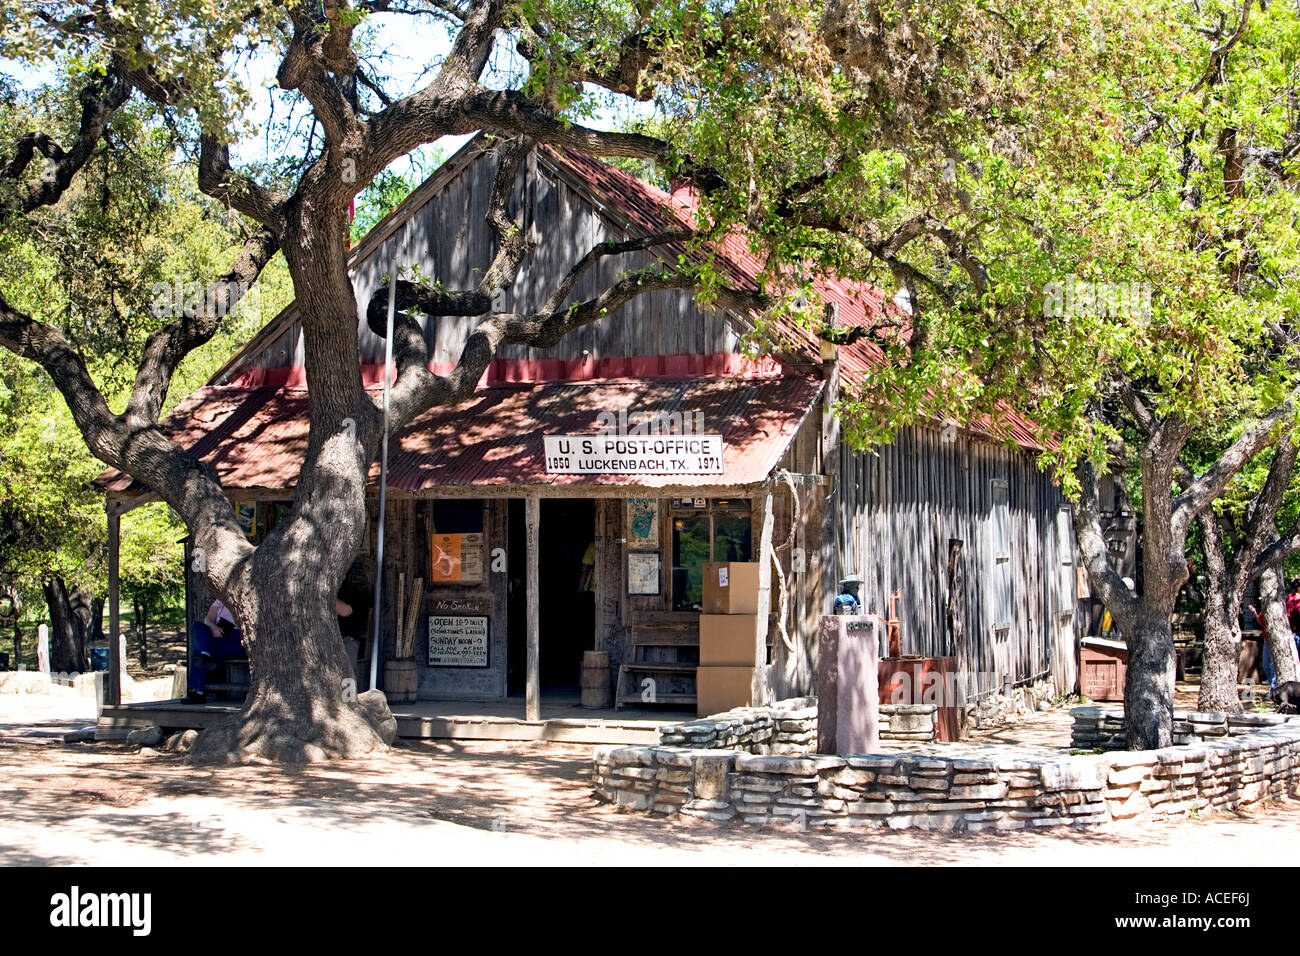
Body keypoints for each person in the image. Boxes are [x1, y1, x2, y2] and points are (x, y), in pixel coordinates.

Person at [186, 599, 244, 703]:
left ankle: (198, 692)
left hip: (235, 639)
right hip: (216, 635)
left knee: (198, 651)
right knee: (197, 626)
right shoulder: (221, 599)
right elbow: (208, 619)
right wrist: (213, 628)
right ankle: (205, 654)